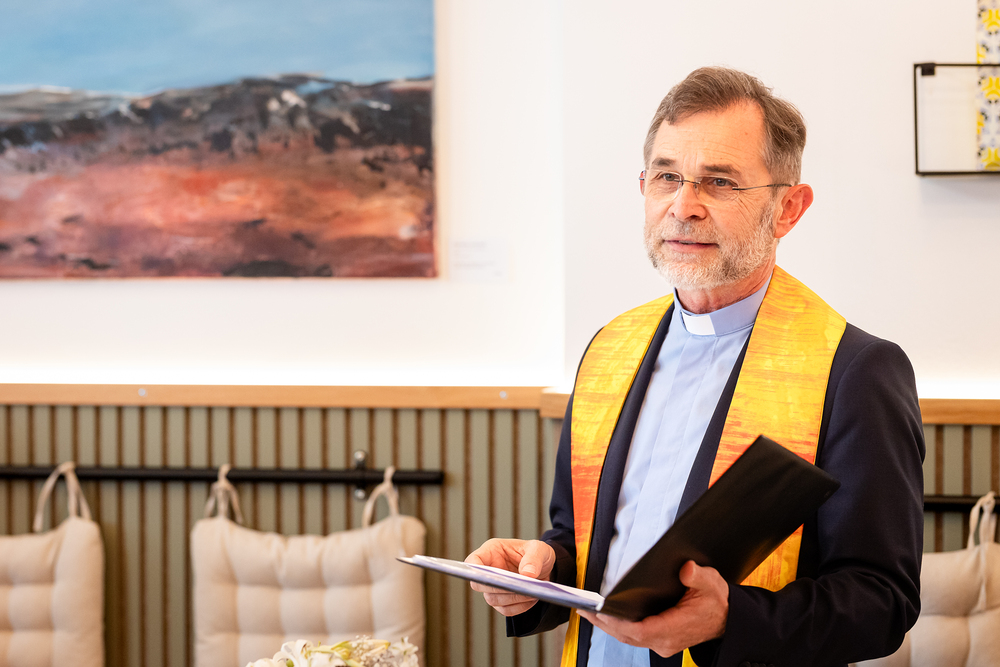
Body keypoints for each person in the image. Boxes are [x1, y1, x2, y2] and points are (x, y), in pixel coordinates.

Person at [466, 67, 925, 667]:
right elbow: (583, 541)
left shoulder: (855, 371)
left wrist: (731, 618)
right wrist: (538, 572)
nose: (684, 207)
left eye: (720, 182)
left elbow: (881, 602)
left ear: (788, 208)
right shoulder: (610, 348)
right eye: (667, 177)